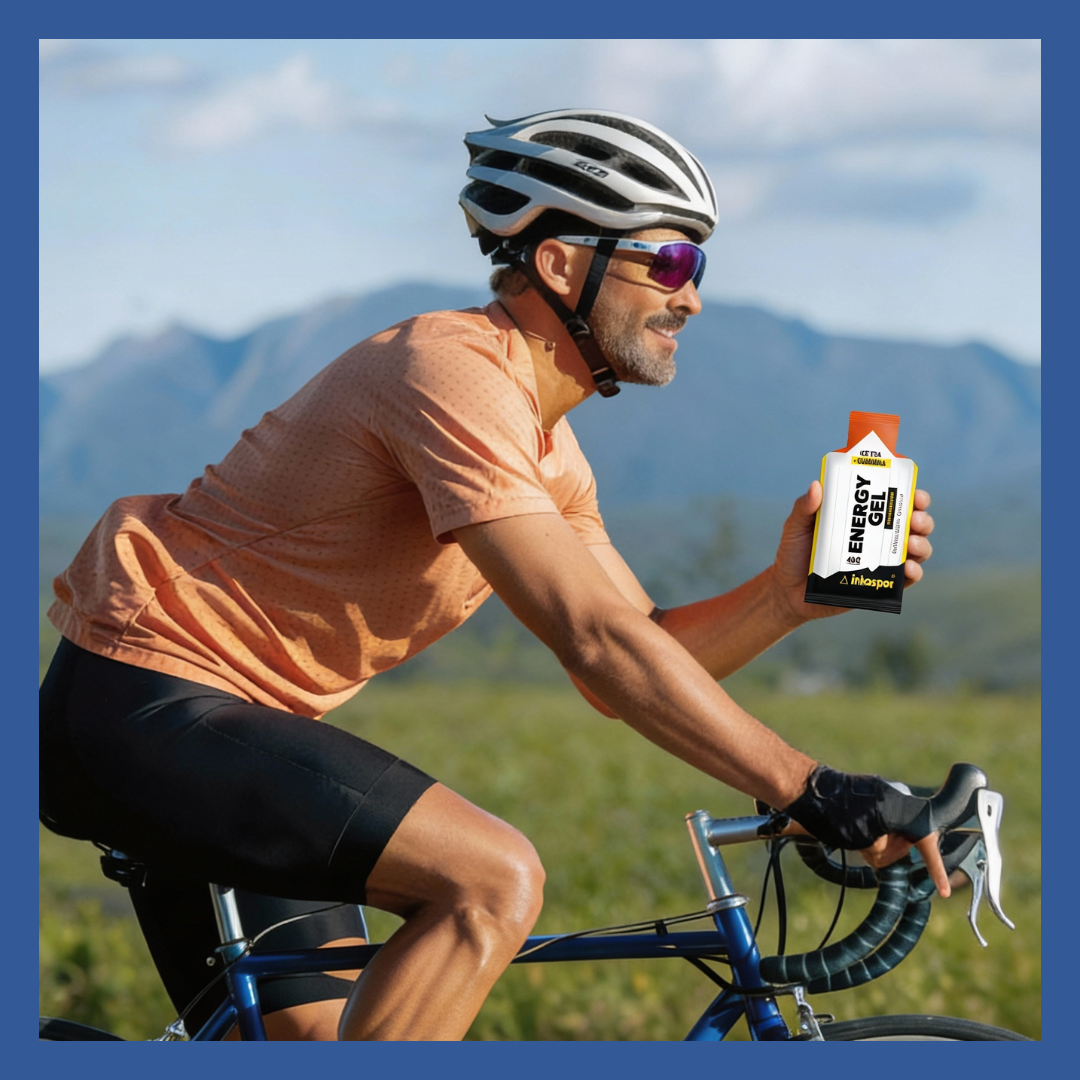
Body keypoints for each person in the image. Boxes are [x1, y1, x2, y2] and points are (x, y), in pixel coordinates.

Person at [39, 108, 944, 1042]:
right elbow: (596, 643)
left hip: (236, 732)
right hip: (147, 708)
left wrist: (784, 597)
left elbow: (633, 649)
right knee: (490, 878)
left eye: (697, 268)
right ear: (560, 264)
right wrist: (809, 787)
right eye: (667, 263)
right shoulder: (451, 371)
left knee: (309, 1041)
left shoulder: (549, 452)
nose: (693, 297)